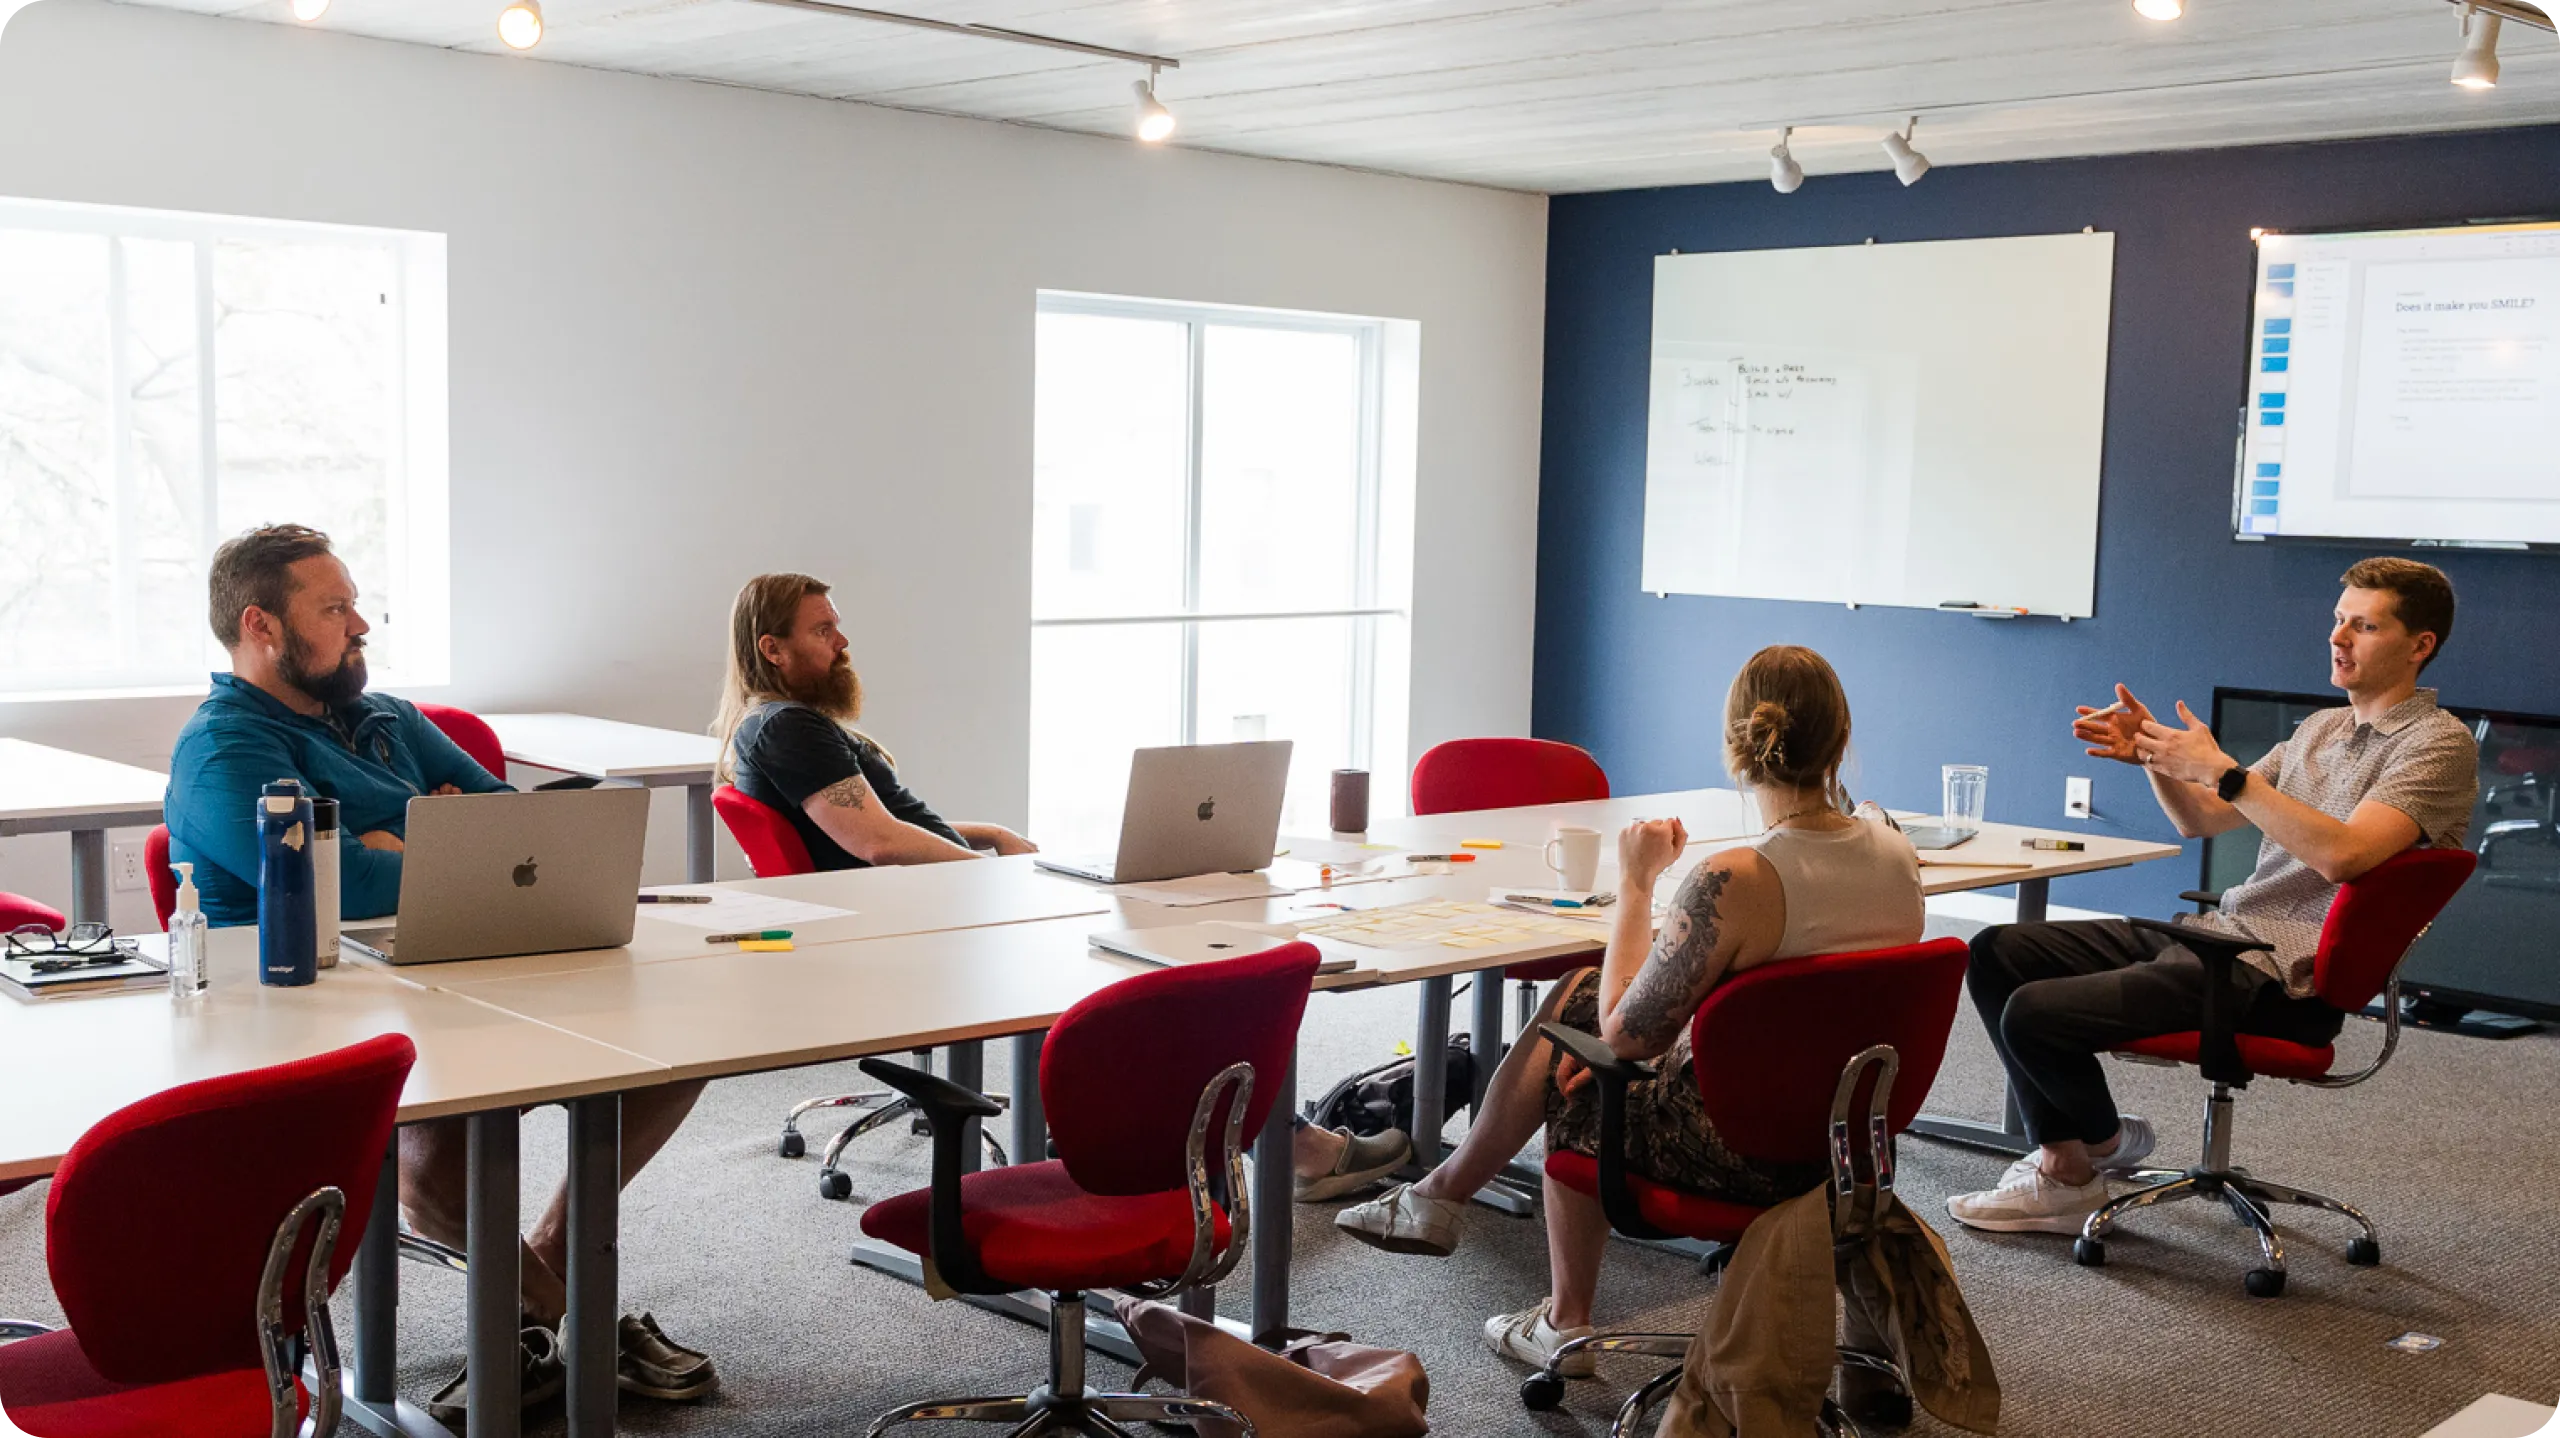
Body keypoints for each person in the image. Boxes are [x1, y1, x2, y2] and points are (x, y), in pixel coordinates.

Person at [163, 524, 716, 1420]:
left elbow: (518, 833)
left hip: (462, 958)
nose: (360, 625)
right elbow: (328, 880)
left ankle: (540, 1294)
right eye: (334, 608)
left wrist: (399, 835)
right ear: (261, 627)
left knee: (679, 1042)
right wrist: (433, 829)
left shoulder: (390, 718)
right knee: (431, 1169)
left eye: (356, 603)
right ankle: (569, 1312)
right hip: (317, 1008)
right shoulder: (224, 750)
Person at [1334, 646, 1924, 1374]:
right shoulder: (1897, 853)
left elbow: (1625, 1032)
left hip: (1741, 1149)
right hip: (1848, 1143)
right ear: (1842, 738)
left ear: (1736, 741)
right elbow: (1791, 995)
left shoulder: (1735, 879)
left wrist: (1638, 882)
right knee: (1585, 1023)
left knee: (1583, 1043)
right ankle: (1441, 1197)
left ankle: (1557, 1314)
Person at [1947, 557, 2479, 1236]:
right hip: (2221, 934)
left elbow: (2344, 855)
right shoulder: (2319, 730)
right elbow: (2200, 816)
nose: (2338, 638)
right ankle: (2098, 1145)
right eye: (2338, 620)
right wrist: (2153, 757)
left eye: (2364, 625)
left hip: (2279, 978)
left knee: (2032, 1014)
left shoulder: (2437, 745)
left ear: (2419, 645)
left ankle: (2073, 1167)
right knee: (1997, 950)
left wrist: (2225, 772)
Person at [714, 573, 1033, 865]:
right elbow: (880, 842)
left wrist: (994, 834)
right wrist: (992, 875)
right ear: (773, 650)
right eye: (823, 631)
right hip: (913, 901)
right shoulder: (786, 729)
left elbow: (884, 824)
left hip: (928, 890)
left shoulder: (775, 723)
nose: (841, 642)